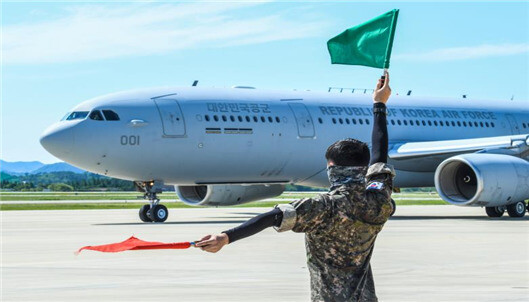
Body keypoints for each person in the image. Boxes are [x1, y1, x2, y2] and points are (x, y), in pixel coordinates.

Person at [196, 71, 395, 302]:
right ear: (363, 167)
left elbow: (271, 217)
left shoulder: (322, 207)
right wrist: (379, 104)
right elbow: (380, 155)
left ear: (332, 169)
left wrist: (225, 237)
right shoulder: (378, 200)